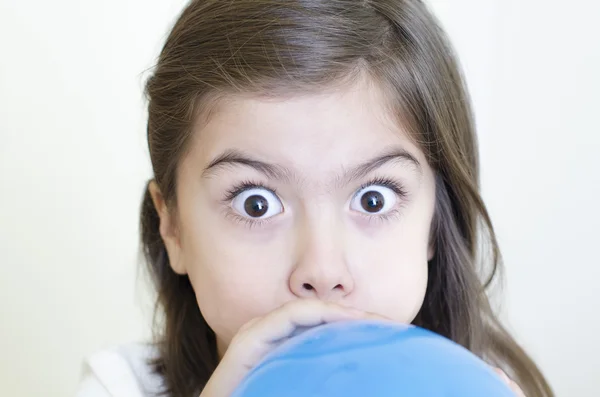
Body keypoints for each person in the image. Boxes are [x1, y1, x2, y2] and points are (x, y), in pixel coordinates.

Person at [75, 0, 553, 396]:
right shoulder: (117, 386)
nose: (322, 272)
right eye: (255, 204)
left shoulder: (486, 385)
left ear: (432, 219)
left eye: (373, 200)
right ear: (172, 226)